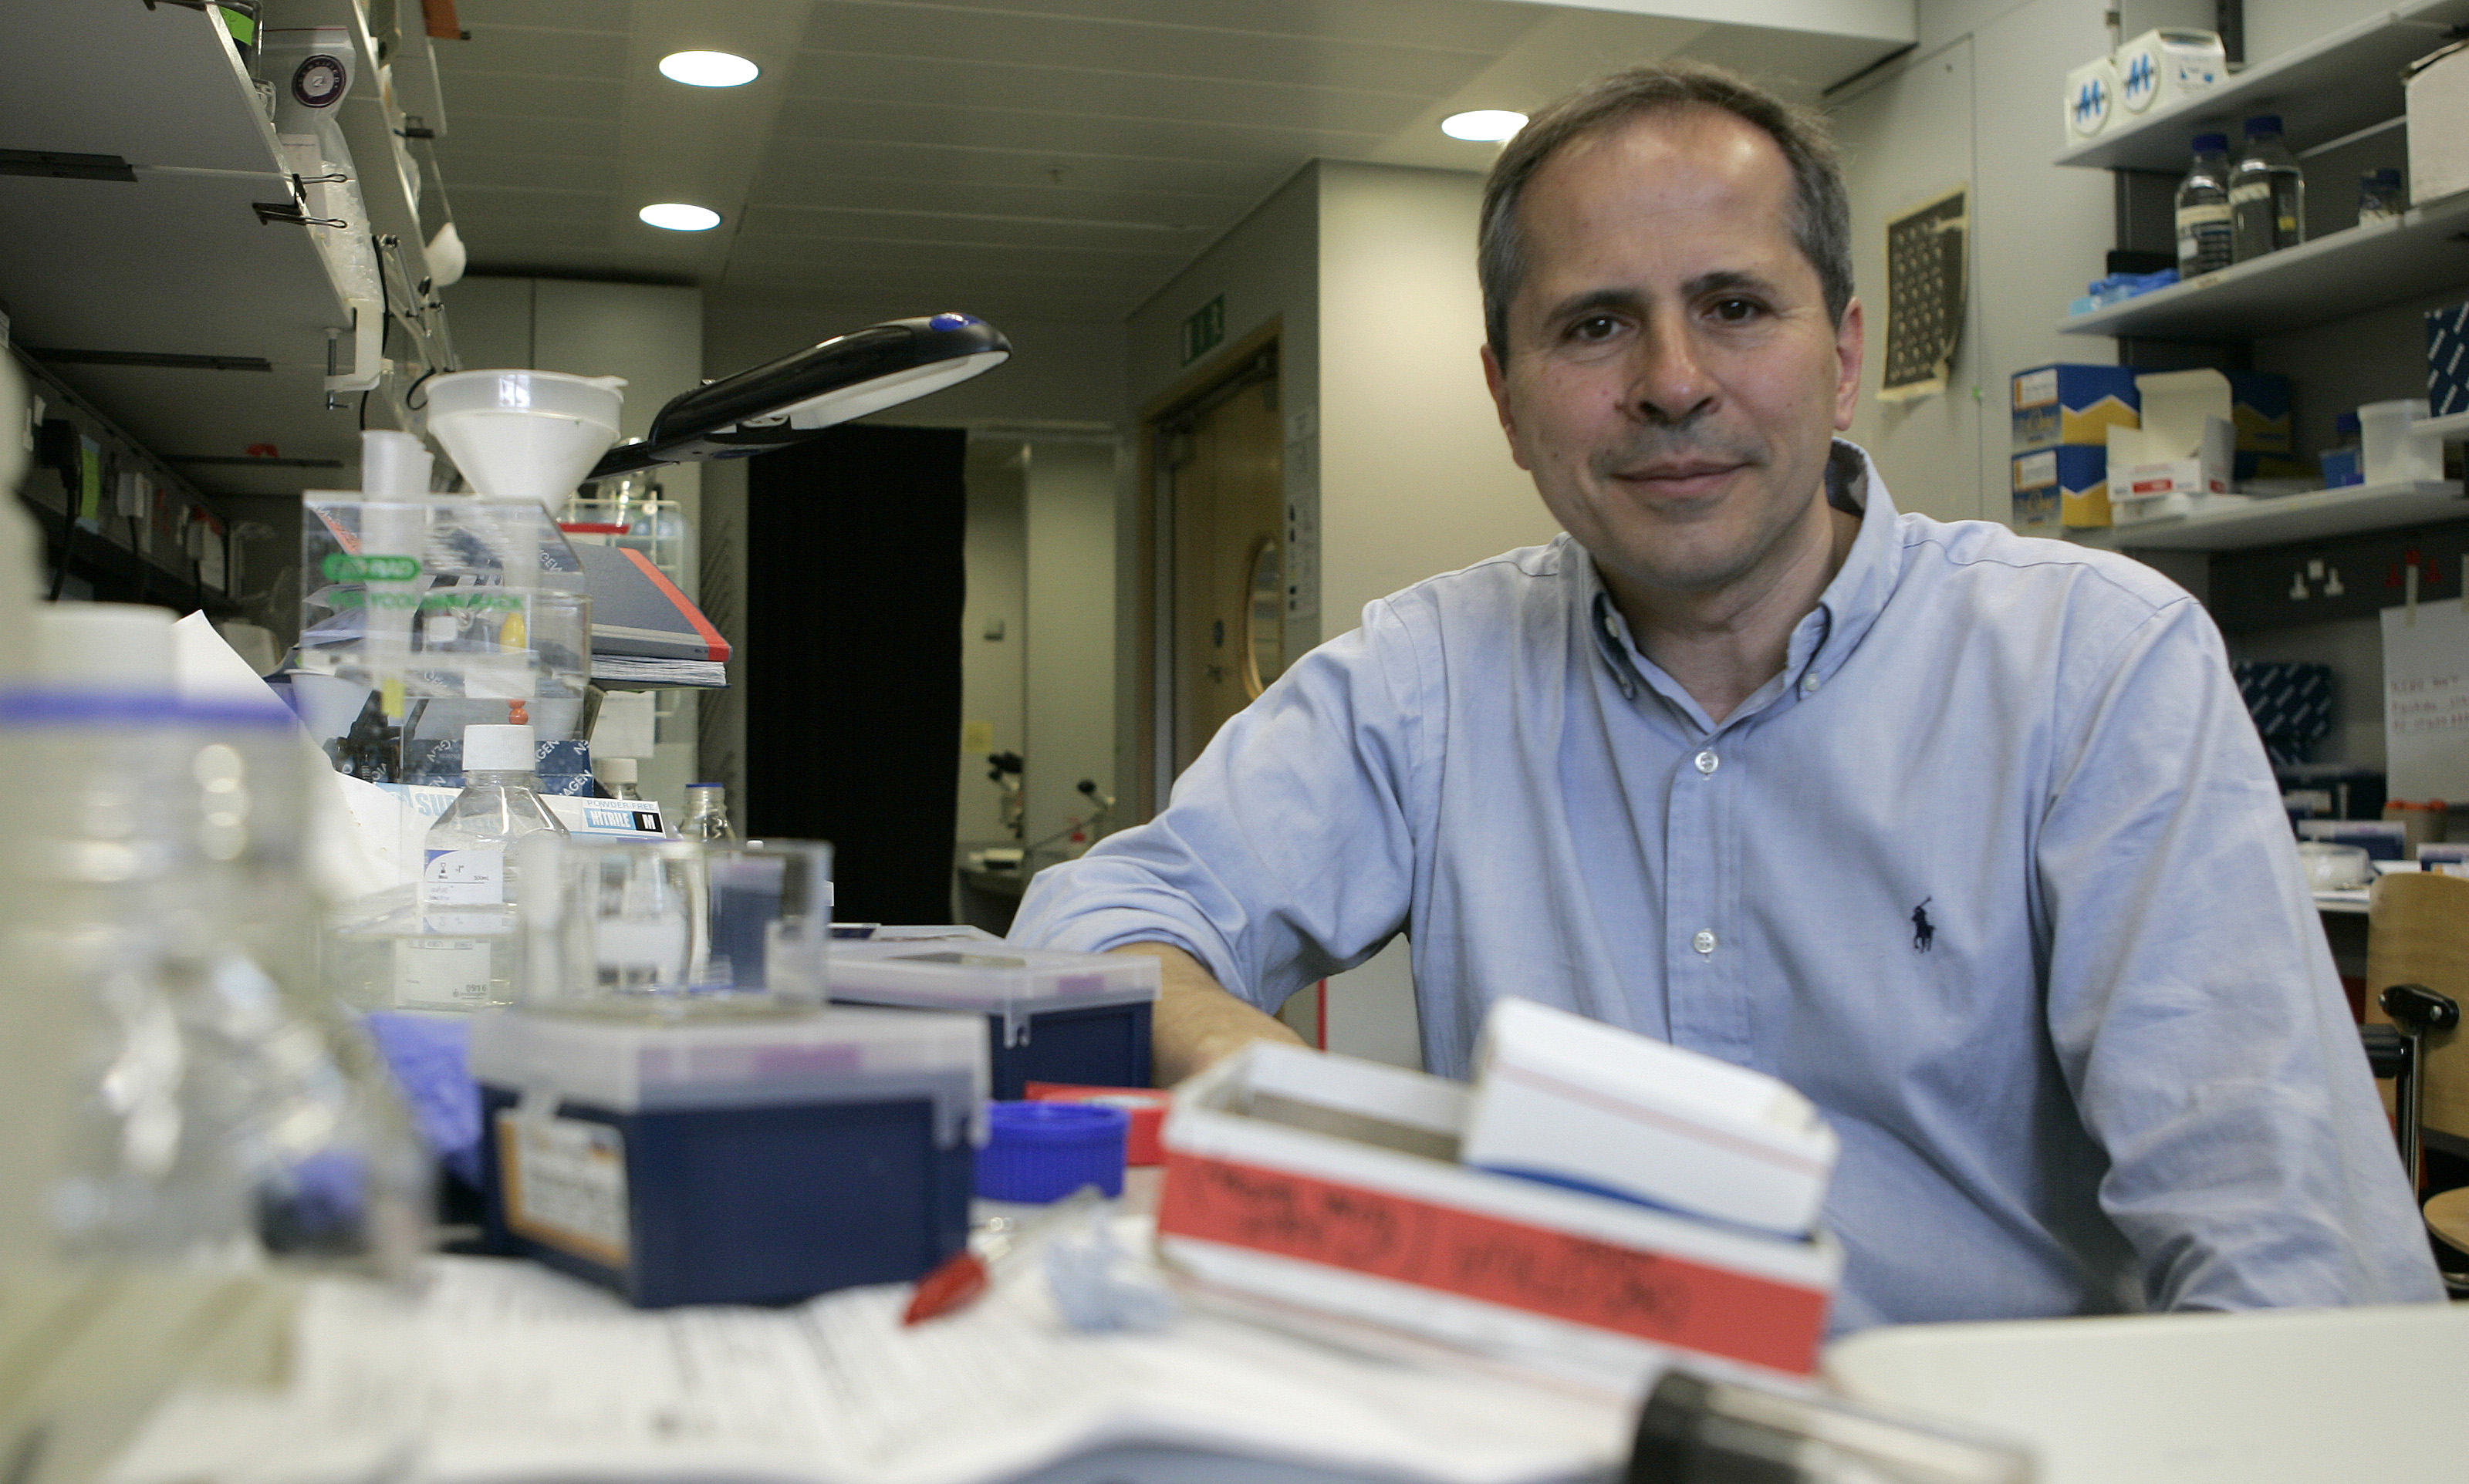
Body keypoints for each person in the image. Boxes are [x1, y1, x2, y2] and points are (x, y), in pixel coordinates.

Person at [1011, 62, 2441, 1327]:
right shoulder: (1429, 677)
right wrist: (1295, 1100)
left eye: (1736, 307)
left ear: (1846, 357)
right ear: (1506, 400)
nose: (1673, 383)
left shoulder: (2094, 664)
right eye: (1595, 327)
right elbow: (1093, 928)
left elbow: (2293, 1256)